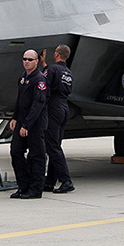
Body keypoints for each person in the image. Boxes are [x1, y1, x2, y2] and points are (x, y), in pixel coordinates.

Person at [9, 49, 48, 199]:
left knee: (36, 155)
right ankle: (23, 186)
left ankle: (36, 189)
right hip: (22, 120)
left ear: (37, 61)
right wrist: (14, 117)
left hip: (35, 123)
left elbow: (38, 105)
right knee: (16, 151)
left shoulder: (40, 80)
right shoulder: (23, 78)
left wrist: (26, 125)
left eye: (30, 59)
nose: (26, 62)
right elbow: (20, 100)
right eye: (24, 59)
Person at [40, 44, 75, 194]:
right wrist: (45, 65)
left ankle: (66, 180)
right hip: (64, 107)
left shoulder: (52, 70)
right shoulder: (67, 72)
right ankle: (50, 182)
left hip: (53, 107)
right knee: (56, 145)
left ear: (57, 54)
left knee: (52, 146)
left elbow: (45, 85)